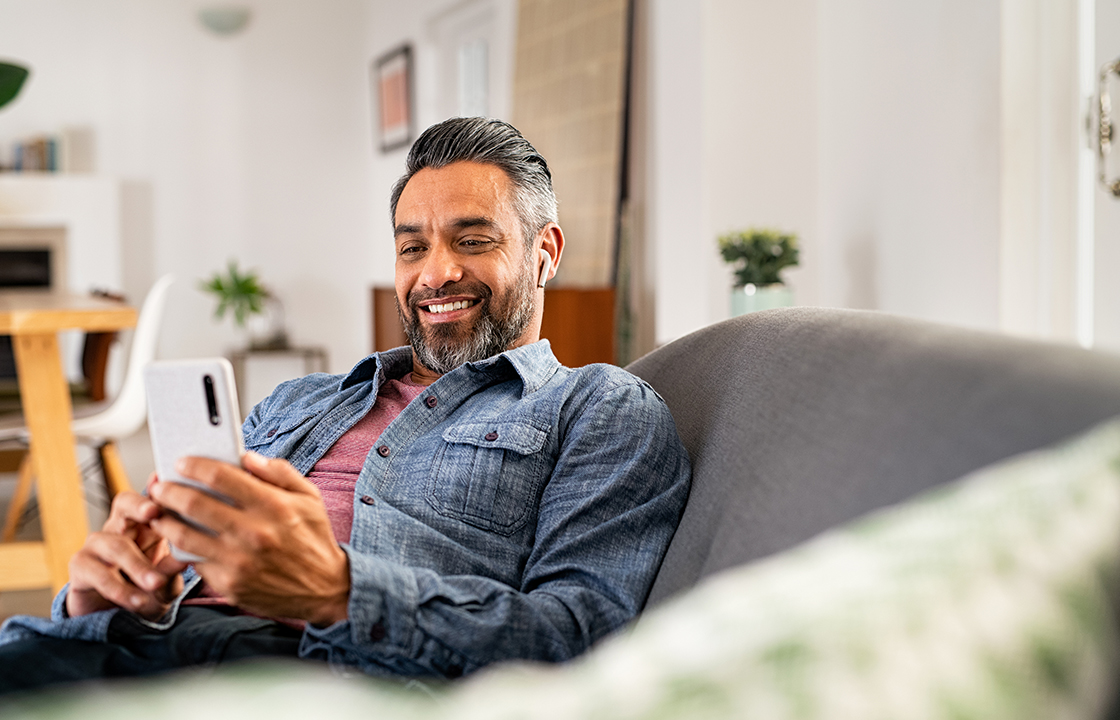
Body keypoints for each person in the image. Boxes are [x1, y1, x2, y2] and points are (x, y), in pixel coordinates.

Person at [0, 117, 691, 692]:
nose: (436, 272)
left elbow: (581, 641)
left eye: (473, 241)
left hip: (318, 679)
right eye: (412, 246)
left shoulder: (598, 406)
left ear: (546, 252)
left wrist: (338, 592)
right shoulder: (298, 402)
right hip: (125, 649)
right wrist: (96, 594)